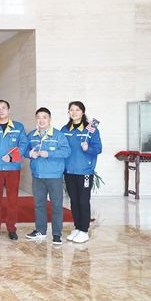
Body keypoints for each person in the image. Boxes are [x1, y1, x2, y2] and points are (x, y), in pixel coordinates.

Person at [24, 107, 71, 246]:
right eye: (38, 117)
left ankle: (56, 234)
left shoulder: (58, 135)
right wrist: (29, 154)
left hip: (54, 176)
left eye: (44, 117)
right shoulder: (32, 135)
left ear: (50, 119)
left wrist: (49, 154)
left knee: (56, 206)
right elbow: (24, 150)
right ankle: (41, 231)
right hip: (38, 176)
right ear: (36, 119)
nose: (41, 120)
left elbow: (66, 151)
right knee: (39, 205)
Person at [0, 100, 28, 241]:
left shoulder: (18, 127)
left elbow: (23, 145)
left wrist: (12, 157)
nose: (1, 110)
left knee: (12, 201)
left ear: (9, 110)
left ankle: (11, 229)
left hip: (12, 169)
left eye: (3, 108)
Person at [61, 101, 102, 244]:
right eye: (71, 110)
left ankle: (84, 230)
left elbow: (98, 148)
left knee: (83, 201)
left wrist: (88, 148)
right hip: (69, 171)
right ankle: (77, 227)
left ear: (83, 112)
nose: (74, 112)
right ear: (68, 112)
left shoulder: (91, 130)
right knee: (73, 200)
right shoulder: (65, 129)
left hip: (84, 172)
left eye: (77, 110)